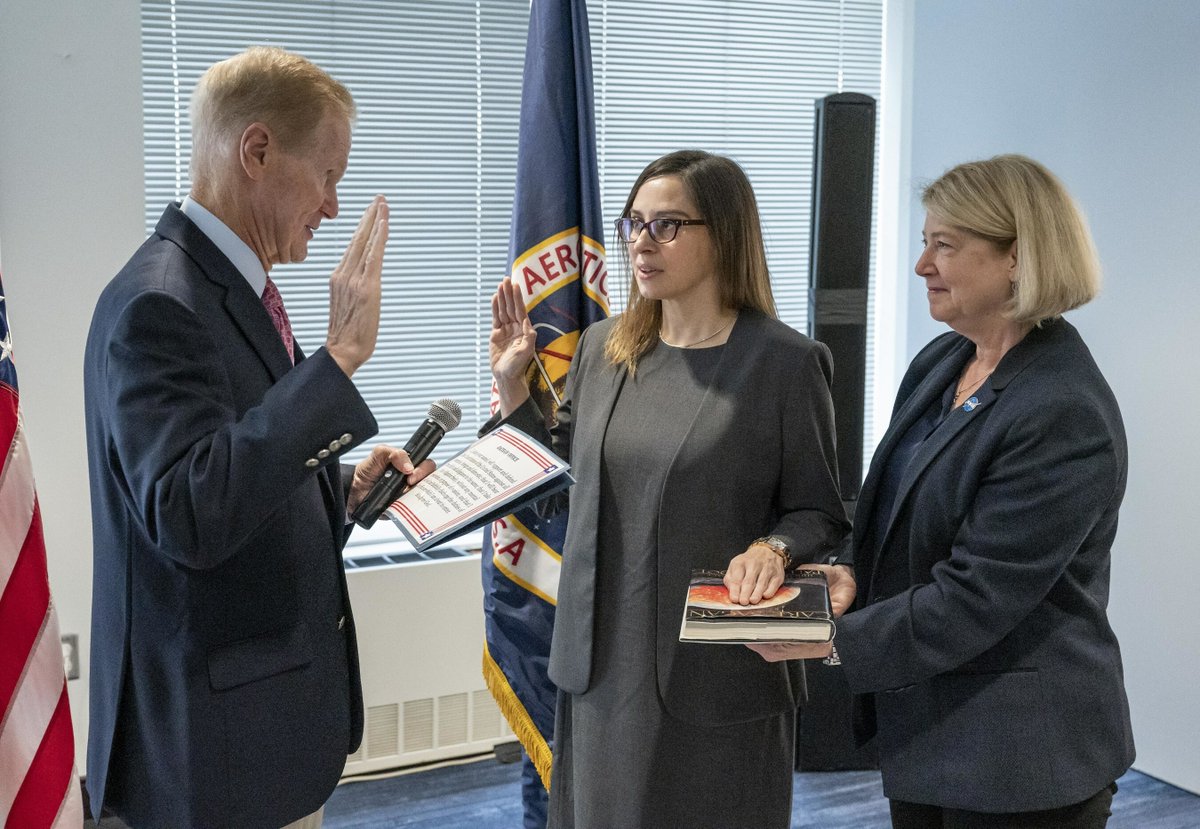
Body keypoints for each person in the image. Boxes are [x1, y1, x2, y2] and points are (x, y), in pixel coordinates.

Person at [84, 47, 432, 829]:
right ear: (258, 150)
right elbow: (190, 511)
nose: (334, 206)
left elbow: (233, 464)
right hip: (210, 763)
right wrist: (339, 360)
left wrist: (338, 488)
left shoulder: (232, 287)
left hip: (251, 745)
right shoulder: (160, 303)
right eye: (328, 175)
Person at [753, 154, 1135, 827]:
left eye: (945, 246)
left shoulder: (1059, 407)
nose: (921, 265)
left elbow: (978, 595)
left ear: (1018, 257)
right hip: (930, 732)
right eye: (925, 242)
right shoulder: (944, 359)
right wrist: (849, 577)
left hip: (1021, 760)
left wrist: (828, 637)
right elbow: (903, 520)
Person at [487, 150, 850, 828]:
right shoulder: (603, 349)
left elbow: (820, 509)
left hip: (714, 668)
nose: (642, 243)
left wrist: (774, 545)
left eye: (668, 225)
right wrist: (514, 387)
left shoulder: (786, 363)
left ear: (726, 236)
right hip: (601, 666)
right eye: (634, 224)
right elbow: (559, 478)